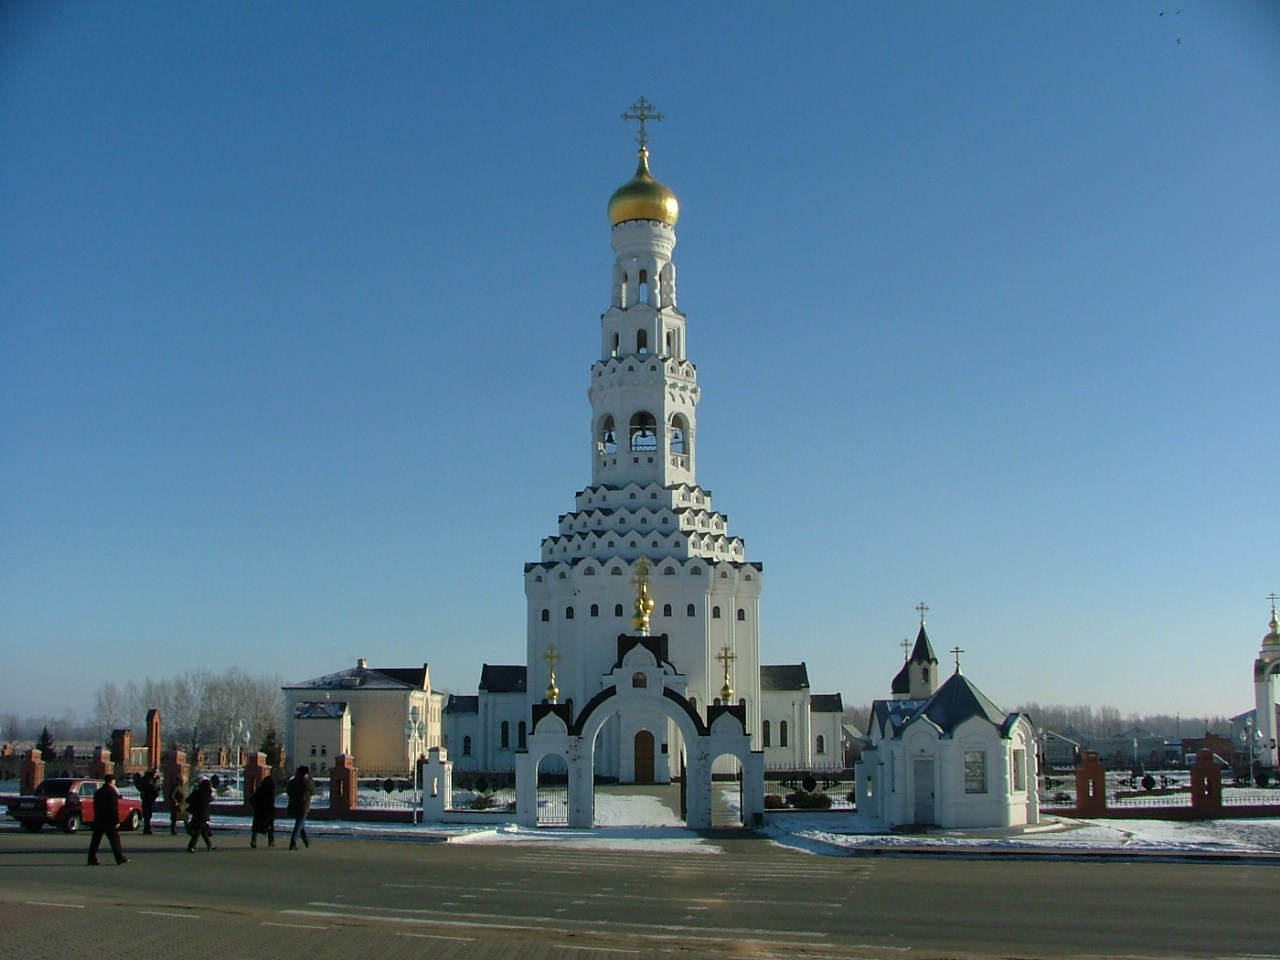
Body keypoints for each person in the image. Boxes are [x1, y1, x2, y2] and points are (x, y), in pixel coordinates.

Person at [87, 773, 129, 866]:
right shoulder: (112, 793)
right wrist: (116, 820)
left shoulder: (98, 792)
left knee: (95, 841)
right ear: (112, 781)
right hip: (109, 821)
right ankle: (120, 858)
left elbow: (95, 806)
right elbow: (114, 808)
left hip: (99, 819)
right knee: (115, 840)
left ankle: (91, 858)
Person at [285, 765, 316, 850]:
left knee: (301, 824)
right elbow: (313, 791)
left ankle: (306, 841)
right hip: (304, 806)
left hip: (294, 805)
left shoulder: (293, 781)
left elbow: (288, 792)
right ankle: (292, 844)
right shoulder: (307, 782)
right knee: (299, 825)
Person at [186, 776, 216, 853]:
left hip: (196, 813)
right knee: (198, 831)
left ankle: (210, 845)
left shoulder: (197, 792)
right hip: (203, 814)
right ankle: (191, 846)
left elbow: (188, 800)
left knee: (203, 830)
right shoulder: (206, 793)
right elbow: (211, 799)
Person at [248, 775, 277, 848]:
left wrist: (256, 807)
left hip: (259, 811)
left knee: (256, 827)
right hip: (267, 812)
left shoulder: (260, 790)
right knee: (270, 827)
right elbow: (271, 802)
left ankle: (253, 841)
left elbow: (252, 800)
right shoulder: (271, 792)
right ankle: (271, 841)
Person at [138, 769, 160, 835]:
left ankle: (147, 828)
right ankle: (146, 828)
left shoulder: (157, 779)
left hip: (152, 798)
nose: (156, 773)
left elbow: (158, 787)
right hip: (146, 797)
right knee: (146, 814)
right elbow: (145, 786)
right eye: (155, 772)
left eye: (157, 772)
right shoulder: (147, 778)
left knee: (149, 814)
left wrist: (157, 792)